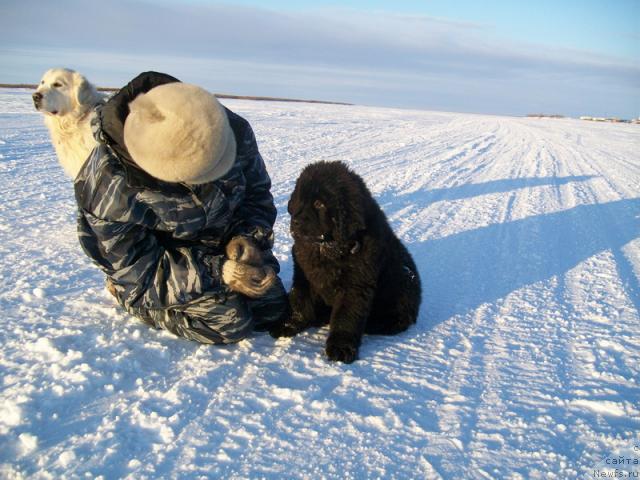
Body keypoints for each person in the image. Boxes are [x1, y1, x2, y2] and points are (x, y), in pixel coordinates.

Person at [74, 71, 289, 344]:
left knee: (272, 310)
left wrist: (248, 239)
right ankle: (128, 299)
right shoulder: (108, 187)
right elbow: (138, 270)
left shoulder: (234, 130)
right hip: (161, 264)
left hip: (220, 242)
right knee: (232, 323)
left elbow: (257, 195)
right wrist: (221, 272)